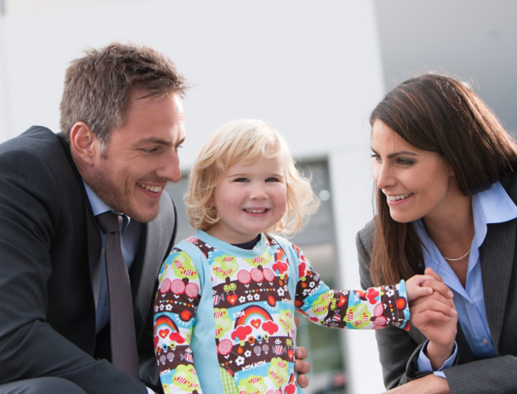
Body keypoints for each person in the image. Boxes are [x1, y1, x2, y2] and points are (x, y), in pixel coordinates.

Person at [0, 43, 311, 394]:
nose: (172, 171)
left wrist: (233, 365)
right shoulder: (14, 178)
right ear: (86, 142)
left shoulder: (156, 215)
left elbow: (141, 353)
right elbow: (6, 344)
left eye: (177, 147)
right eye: (152, 148)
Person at [356, 73, 517, 394]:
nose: (382, 180)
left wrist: (446, 382)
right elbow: (401, 387)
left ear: (454, 158)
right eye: (377, 158)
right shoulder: (374, 245)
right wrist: (438, 352)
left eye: (403, 161)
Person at [153, 119, 448, 393]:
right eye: (241, 179)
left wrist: (397, 298)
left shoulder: (286, 256)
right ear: (209, 188)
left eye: (271, 179)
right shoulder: (188, 262)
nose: (259, 192)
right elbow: (172, 348)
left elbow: (329, 306)